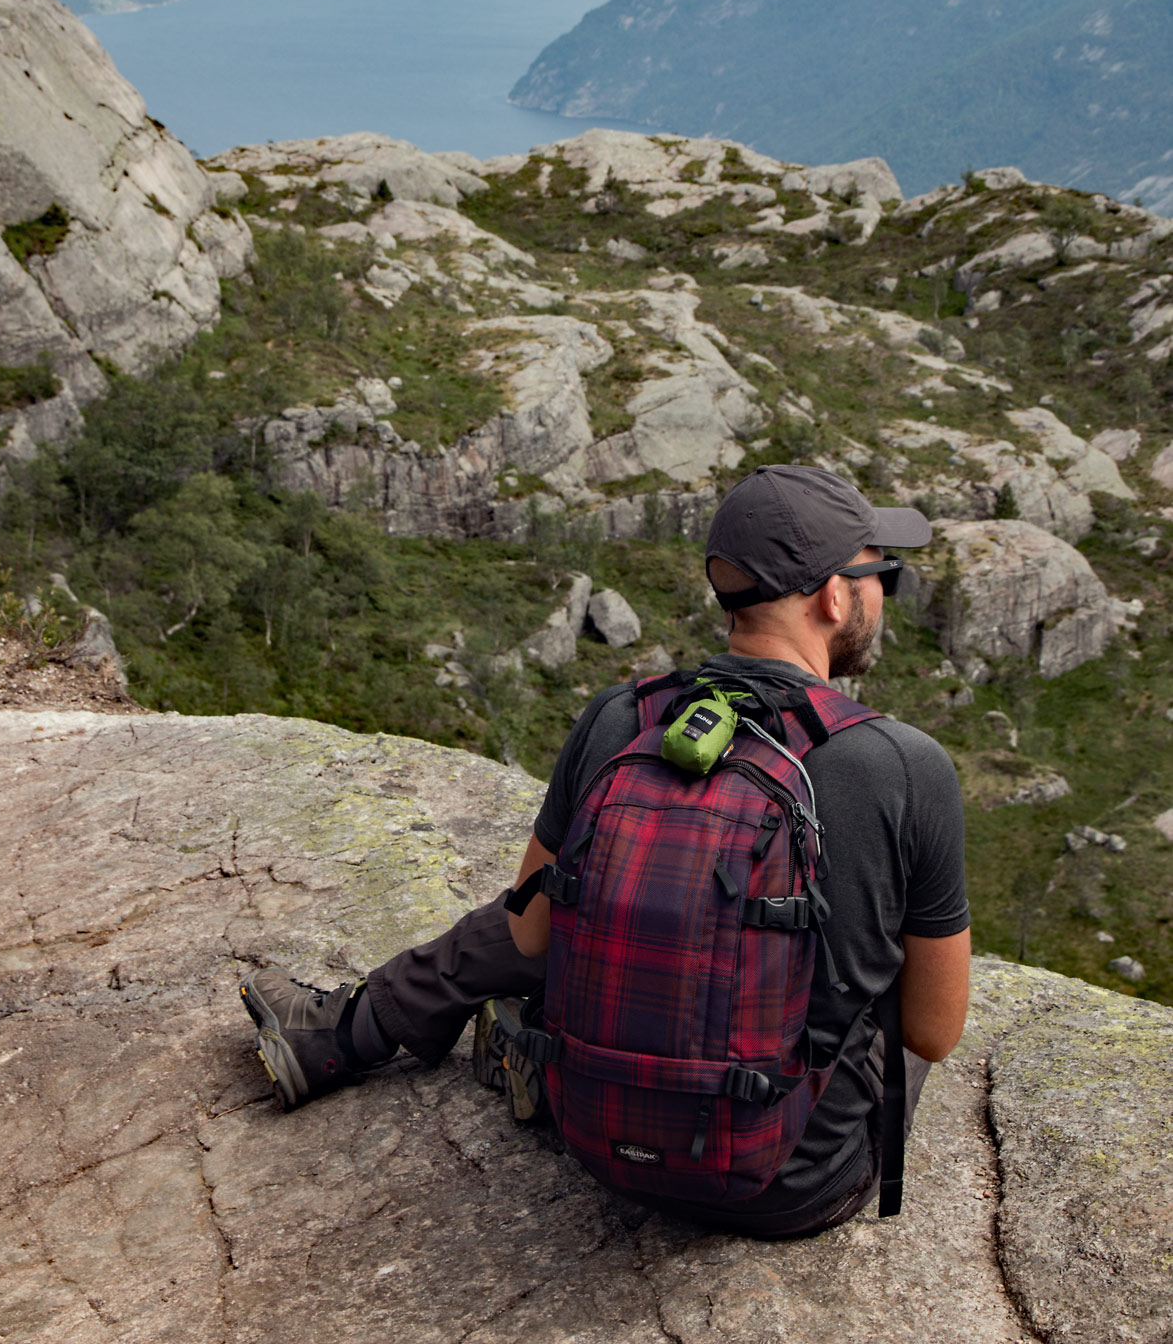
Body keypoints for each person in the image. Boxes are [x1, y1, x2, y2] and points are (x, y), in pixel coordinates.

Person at [240, 464, 971, 1236]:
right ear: (832, 595)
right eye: (876, 573)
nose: (882, 592)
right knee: (890, 974)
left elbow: (528, 932)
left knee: (574, 903)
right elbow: (931, 1032)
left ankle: (368, 1030)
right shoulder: (903, 766)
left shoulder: (620, 717)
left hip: (599, 1142)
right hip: (789, 1188)